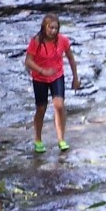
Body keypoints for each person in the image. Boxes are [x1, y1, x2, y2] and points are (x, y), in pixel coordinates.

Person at [25, 12, 80, 154]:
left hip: (57, 76)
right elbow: (28, 61)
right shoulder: (36, 41)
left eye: (56, 28)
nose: (53, 31)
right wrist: (42, 71)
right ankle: (38, 139)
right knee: (41, 109)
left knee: (59, 105)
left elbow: (71, 59)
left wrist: (75, 77)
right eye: (51, 28)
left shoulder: (63, 40)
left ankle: (61, 139)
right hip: (39, 78)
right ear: (44, 27)